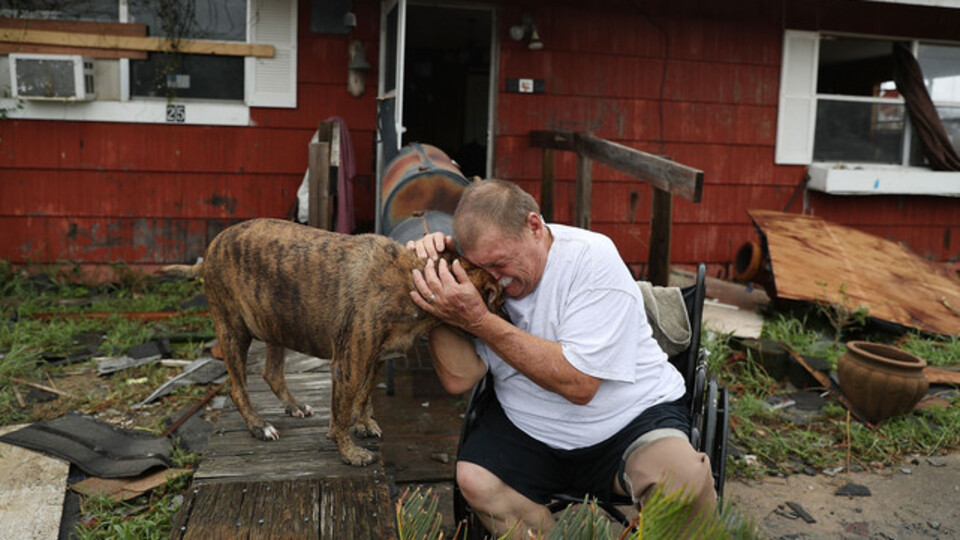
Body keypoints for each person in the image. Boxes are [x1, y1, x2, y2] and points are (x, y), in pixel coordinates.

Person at [408, 179, 715, 536]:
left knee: (685, 483)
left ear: (535, 227)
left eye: (500, 263)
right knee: (475, 479)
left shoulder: (590, 258)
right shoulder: (479, 273)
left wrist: (479, 320)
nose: (494, 280)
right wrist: (433, 289)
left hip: (628, 420)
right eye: (482, 267)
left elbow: (580, 384)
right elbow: (459, 377)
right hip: (530, 428)